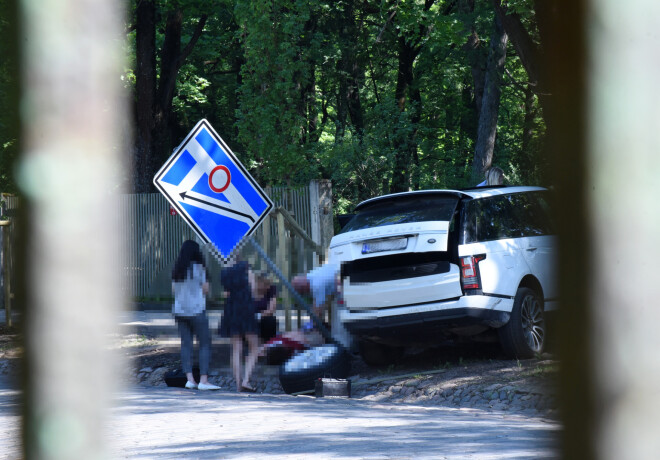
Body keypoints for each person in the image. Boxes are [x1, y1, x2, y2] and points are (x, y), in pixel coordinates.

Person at [171, 240, 220, 390]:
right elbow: (205, 289)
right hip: (197, 310)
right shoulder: (199, 268)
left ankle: (190, 379)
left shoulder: (177, 269)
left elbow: (173, 290)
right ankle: (204, 380)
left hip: (180, 311)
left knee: (186, 345)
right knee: (204, 344)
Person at [219, 259, 260, 392]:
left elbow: (226, 293)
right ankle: (246, 380)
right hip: (246, 308)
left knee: (236, 348)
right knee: (254, 346)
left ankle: (237, 384)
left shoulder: (224, 272)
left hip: (231, 309)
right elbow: (253, 288)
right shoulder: (246, 268)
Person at [253, 271, 278, 343]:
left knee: (271, 321)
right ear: (257, 282)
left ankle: (268, 343)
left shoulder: (271, 290)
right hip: (249, 318)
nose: (268, 287)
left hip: (262, 317)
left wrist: (258, 315)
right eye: (265, 284)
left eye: (269, 284)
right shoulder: (249, 290)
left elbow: (271, 310)